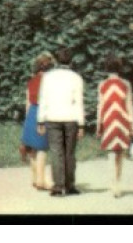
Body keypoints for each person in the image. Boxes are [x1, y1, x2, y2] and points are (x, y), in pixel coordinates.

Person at [36, 48, 85, 197]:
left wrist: (40, 121)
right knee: (70, 153)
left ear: (56, 60)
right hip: (71, 118)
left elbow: (43, 99)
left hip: (52, 117)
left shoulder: (49, 77)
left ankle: (58, 186)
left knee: (56, 152)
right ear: (71, 61)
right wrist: (81, 124)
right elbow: (79, 103)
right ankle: (70, 185)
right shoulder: (76, 78)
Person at [97, 56, 133, 198]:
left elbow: (100, 106)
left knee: (111, 153)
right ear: (120, 68)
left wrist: (98, 124)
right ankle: (117, 182)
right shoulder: (126, 84)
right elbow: (129, 104)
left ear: (106, 68)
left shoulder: (102, 84)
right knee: (120, 154)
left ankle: (112, 183)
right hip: (122, 120)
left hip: (108, 120)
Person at [20, 52, 54, 190]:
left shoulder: (31, 81)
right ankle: (41, 180)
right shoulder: (51, 81)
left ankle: (34, 178)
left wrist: (27, 119)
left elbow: (28, 102)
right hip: (44, 113)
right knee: (42, 149)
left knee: (33, 149)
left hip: (32, 113)